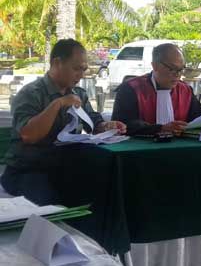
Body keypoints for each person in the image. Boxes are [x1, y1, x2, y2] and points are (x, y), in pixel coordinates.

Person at [1, 39, 126, 205]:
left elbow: (93, 123)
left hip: (66, 167)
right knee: (50, 203)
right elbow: (28, 135)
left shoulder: (79, 94)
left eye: (84, 69)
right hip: (28, 170)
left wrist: (106, 126)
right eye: (76, 69)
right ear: (56, 63)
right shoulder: (31, 93)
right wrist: (58, 103)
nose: (81, 75)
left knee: (104, 192)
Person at [112, 43, 201, 136]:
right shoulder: (131, 89)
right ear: (155, 66)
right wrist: (160, 128)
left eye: (181, 69)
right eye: (172, 69)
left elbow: (199, 119)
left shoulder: (185, 90)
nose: (178, 75)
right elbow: (122, 124)